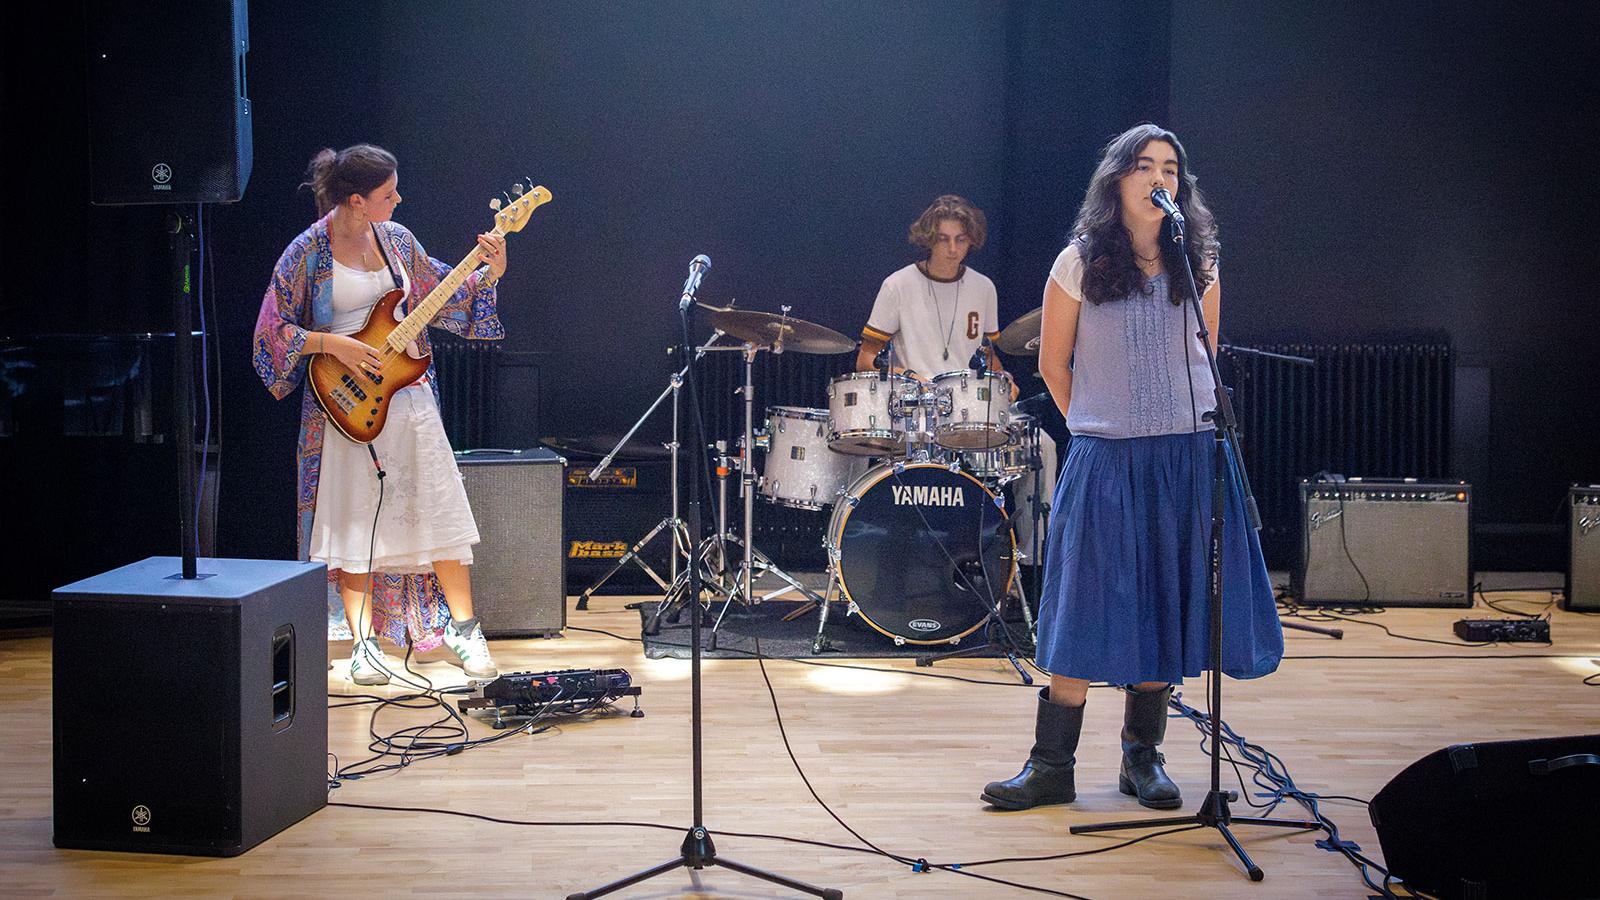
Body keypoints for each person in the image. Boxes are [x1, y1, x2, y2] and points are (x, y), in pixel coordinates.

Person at [982, 124, 1283, 812]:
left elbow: (1205, 353)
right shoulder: (1079, 261)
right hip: (1105, 455)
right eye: (1145, 166)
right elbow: (1054, 365)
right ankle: (1051, 764)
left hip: (1187, 455)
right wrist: (1098, 424)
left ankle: (1141, 759)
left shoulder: (1199, 259)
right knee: (1083, 603)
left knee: (1165, 600)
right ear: (1116, 180)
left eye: (1171, 169)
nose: (1160, 178)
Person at [253, 144, 509, 686]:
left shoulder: (397, 241)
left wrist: (489, 271)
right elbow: (271, 332)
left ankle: (464, 630)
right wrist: (332, 344)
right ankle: (363, 642)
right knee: (351, 519)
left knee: (438, 510)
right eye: (388, 194)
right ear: (357, 201)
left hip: (408, 397)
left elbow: (445, 294)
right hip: (345, 407)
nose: (399, 199)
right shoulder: (308, 251)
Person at [856, 195, 1057, 566]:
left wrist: (1001, 377)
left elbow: (989, 353)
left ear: (971, 241)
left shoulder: (983, 287)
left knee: (1041, 446)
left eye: (960, 239)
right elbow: (866, 357)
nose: (952, 248)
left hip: (970, 409)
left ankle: (1034, 562)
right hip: (918, 411)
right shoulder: (898, 285)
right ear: (928, 238)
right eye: (943, 239)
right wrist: (910, 377)